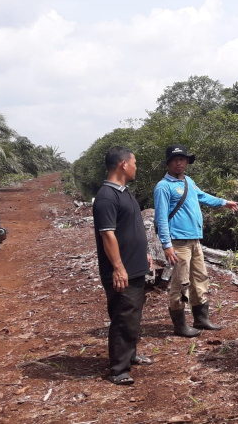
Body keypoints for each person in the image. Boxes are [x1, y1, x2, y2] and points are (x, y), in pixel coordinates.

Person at [154, 144, 238, 337]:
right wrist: (166, 246)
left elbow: (202, 196)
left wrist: (224, 203)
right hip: (178, 243)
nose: (179, 163)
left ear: (187, 162)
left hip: (194, 241)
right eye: (175, 159)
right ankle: (180, 325)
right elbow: (160, 218)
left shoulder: (188, 182)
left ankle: (201, 319)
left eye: (182, 159)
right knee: (180, 283)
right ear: (168, 163)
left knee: (199, 279)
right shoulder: (163, 187)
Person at [93, 146, 154, 385]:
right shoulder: (107, 197)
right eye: (135, 162)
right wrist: (118, 267)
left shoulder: (124, 192)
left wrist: (145, 253)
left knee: (132, 316)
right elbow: (108, 235)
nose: (136, 167)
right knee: (122, 316)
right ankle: (118, 369)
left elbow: (132, 228)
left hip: (135, 265)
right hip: (122, 270)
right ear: (123, 165)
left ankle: (130, 354)